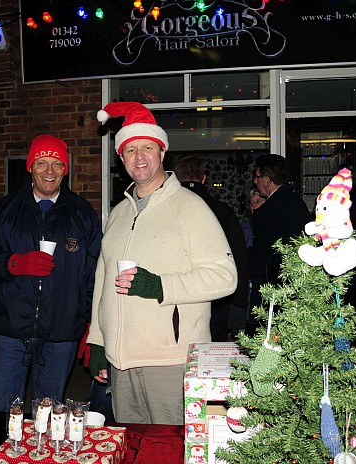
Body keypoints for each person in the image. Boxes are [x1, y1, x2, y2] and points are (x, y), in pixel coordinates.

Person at [89, 102, 237, 425]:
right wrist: (98, 342)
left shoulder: (190, 207)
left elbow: (226, 276)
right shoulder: (118, 214)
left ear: (161, 152)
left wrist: (159, 286)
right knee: (134, 455)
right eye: (130, 150)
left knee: (172, 456)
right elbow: (102, 282)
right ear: (121, 158)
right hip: (121, 363)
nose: (139, 157)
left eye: (147, 148)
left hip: (170, 362)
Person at [0, 134, 102, 412]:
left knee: (49, 410)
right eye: (42, 163)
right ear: (30, 166)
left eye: (57, 164)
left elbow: (94, 274)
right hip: (10, 329)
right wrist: (14, 264)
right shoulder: (5, 210)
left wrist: (92, 324)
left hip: (62, 331)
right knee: (2, 409)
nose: (50, 171)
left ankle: (42, 456)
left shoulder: (82, 213)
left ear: (66, 169)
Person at [173, 154, 250, 341]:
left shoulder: (165, 210)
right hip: (216, 297)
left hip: (175, 295)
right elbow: (238, 258)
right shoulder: (223, 211)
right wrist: (239, 303)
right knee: (212, 358)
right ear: (204, 178)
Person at [247, 154, 310, 322]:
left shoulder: (273, 207)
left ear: (267, 180)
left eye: (258, 177)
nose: (255, 181)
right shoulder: (293, 201)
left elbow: (265, 252)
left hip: (275, 285)